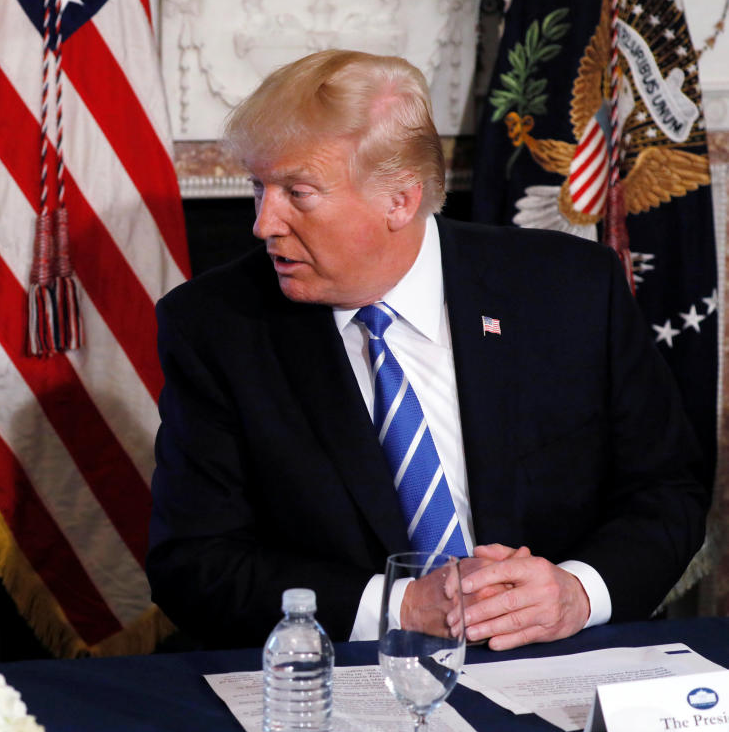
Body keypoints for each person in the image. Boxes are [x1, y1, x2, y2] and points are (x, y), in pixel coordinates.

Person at [147, 49, 707, 652]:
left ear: (400, 200)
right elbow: (194, 562)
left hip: (557, 661)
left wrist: (578, 592)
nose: (263, 223)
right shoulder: (217, 326)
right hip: (346, 674)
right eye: (260, 187)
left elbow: (667, 491)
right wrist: (402, 606)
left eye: (297, 193)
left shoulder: (570, 289)